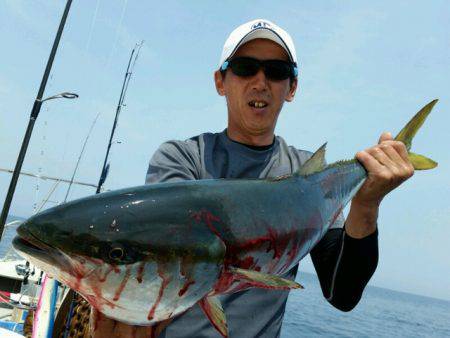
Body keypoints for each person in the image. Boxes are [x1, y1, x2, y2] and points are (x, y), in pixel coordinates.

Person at [91, 19, 414, 338]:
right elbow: (162, 252)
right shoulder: (183, 159)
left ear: (292, 88)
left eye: (277, 71)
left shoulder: (310, 178)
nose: (261, 81)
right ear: (221, 81)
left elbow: (341, 293)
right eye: (245, 67)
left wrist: (367, 204)